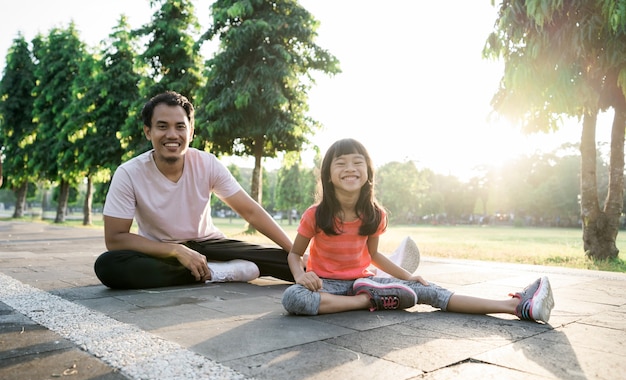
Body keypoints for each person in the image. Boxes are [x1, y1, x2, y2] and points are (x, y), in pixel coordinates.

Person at [281, 138, 555, 323]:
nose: (350, 168)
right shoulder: (315, 215)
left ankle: (517, 306)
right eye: (340, 163)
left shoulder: (374, 214)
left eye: (357, 162)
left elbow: (374, 256)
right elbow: (295, 255)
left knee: (428, 291)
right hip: (325, 285)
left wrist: (410, 277)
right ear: (328, 174)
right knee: (294, 298)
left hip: (362, 281)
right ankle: (369, 302)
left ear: (368, 172)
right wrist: (301, 277)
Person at [94, 91, 295, 289]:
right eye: (162, 126)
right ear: (148, 131)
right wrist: (175, 250)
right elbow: (115, 238)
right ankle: (217, 273)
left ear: (190, 132)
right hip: (162, 252)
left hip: (210, 245)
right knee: (108, 265)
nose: (172, 135)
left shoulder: (207, 163)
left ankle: (207, 269)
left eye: (180, 126)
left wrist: (294, 252)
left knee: (290, 261)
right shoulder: (129, 173)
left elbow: (250, 211)